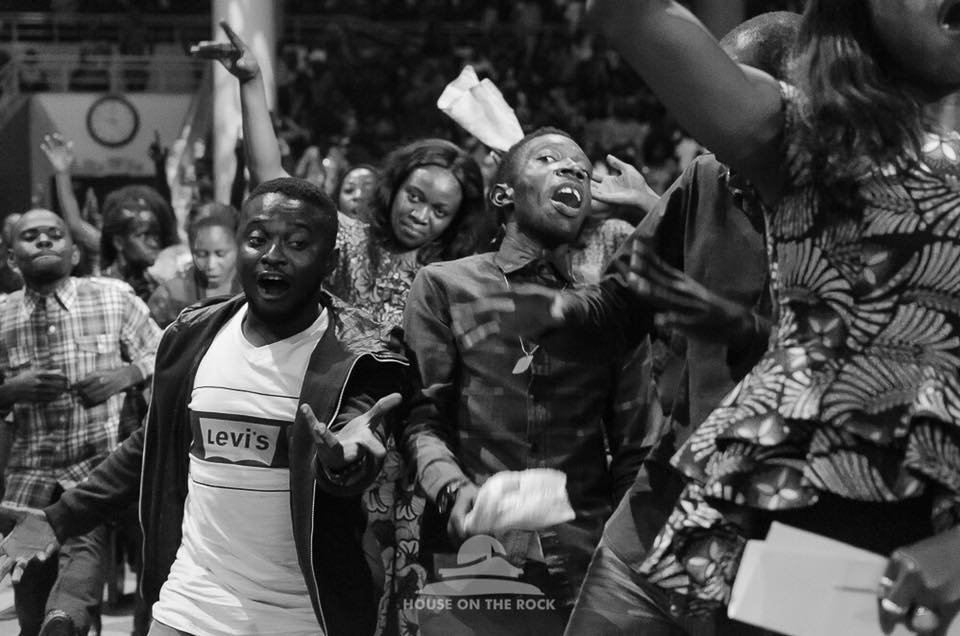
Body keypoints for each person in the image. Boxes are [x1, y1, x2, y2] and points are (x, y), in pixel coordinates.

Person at [478, 1, 960, 633]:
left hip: (915, 540)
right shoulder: (804, 144)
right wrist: (563, 312)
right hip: (741, 512)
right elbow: (629, 14)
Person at [0, 177, 410, 636]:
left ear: (328, 261)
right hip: (192, 599)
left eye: (297, 243)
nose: (273, 255)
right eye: (257, 239)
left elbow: (356, 445)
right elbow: (148, 447)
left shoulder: (360, 355)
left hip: (305, 613)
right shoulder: (193, 335)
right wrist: (59, 519)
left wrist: (346, 463)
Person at [401, 128, 648, 635]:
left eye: (582, 170)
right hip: (469, 562)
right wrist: (452, 490)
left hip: (583, 571)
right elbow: (421, 416)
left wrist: (622, 564)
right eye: (548, 159)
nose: (572, 169)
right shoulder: (445, 284)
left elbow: (636, 447)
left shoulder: (611, 310)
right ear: (503, 195)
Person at [203, 22, 495, 332]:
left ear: (457, 218)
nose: (419, 216)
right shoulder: (350, 240)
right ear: (395, 186)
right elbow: (270, 179)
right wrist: (251, 81)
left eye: (439, 211)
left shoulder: (456, 277)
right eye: (414, 197)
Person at [0, 209, 161, 636]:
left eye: (55, 234)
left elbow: (165, 354)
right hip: (29, 482)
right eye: (31, 236)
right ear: (12, 259)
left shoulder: (112, 297)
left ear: (74, 254)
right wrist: (10, 391)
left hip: (97, 471)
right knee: (31, 602)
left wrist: (125, 375)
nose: (44, 240)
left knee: (83, 561)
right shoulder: (2, 316)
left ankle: (66, 622)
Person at [147, 204, 240, 328]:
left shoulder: (252, 292)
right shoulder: (169, 297)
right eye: (201, 254)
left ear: (238, 247)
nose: (211, 264)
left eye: (220, 254)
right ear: (191, 249)